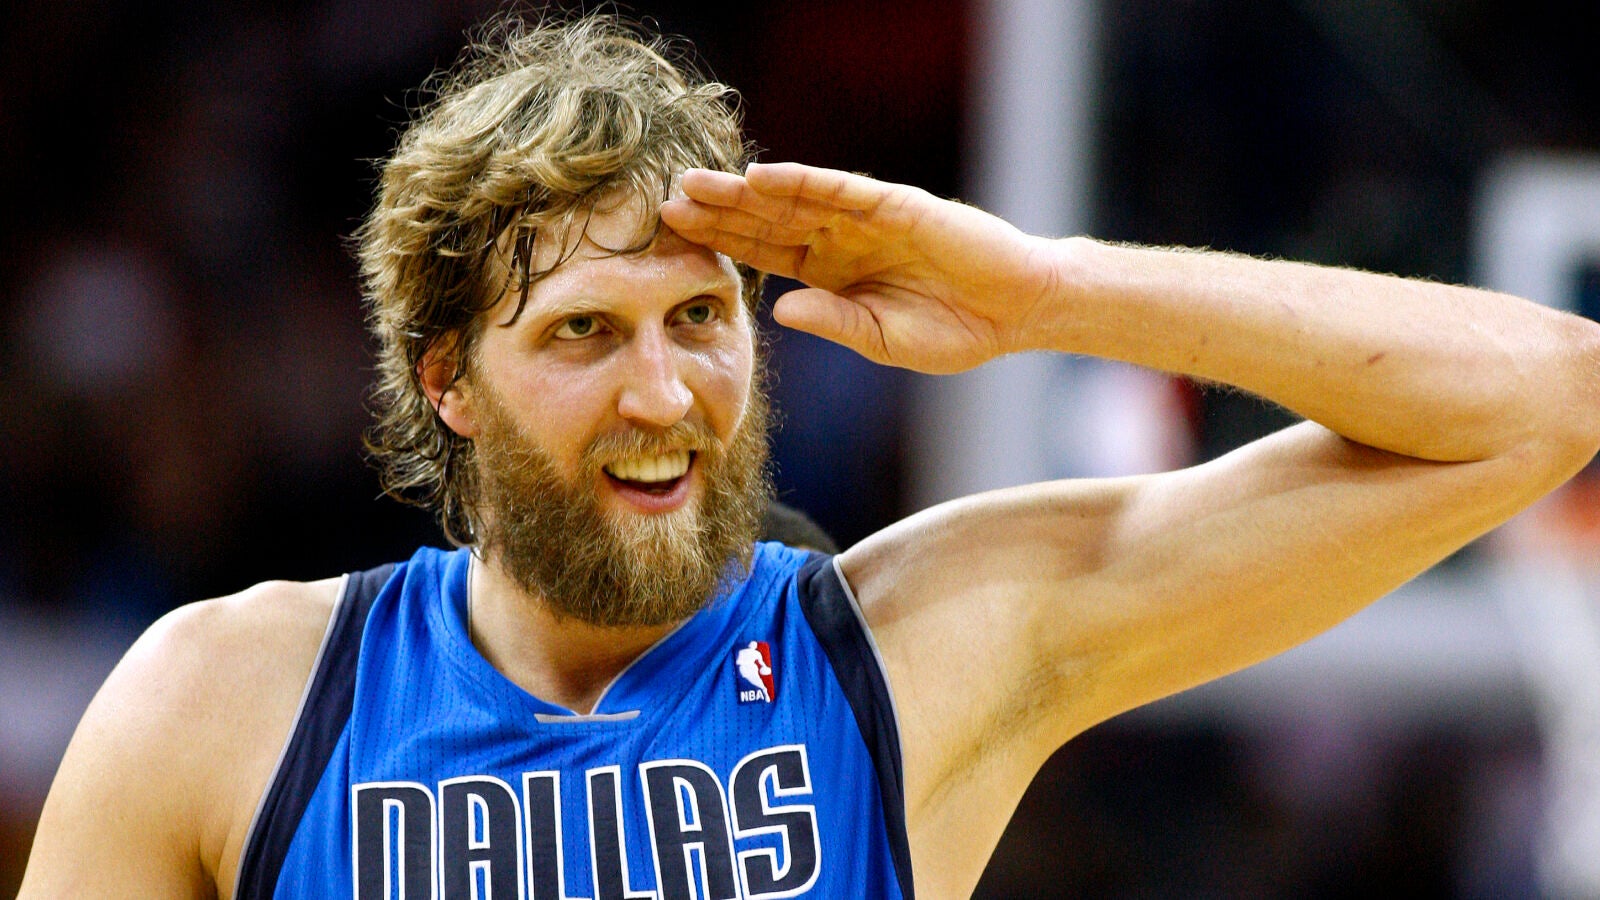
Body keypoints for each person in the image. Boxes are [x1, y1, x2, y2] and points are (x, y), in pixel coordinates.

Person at [20, 13, 1600, 900]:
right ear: (451, 384)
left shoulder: (915, 649)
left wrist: (1054, 291)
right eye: (584, 333)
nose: (663, 391)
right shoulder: (224, 705)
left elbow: (1545, 397)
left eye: (700, 318)